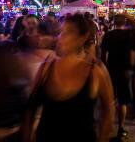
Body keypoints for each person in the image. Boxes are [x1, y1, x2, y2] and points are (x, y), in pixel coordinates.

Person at [23, 14, 114, 142]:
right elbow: (30, 109)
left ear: (82, 38)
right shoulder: (46, 68)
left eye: (67, 33)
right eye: (61, 32)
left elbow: (108, 110)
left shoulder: (95, 71)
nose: (60, 38)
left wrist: (103, 138)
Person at [100, 13, 135, 139]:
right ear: (124, 22)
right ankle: (121, 127)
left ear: (113, 22)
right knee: (123, 102)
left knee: (111, 100)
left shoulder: (108, 35)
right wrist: (127, 15)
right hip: (125, 70)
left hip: (111, 69)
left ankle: (108, 126)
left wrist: (104, 67)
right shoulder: (130, 35)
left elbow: (103, 54)